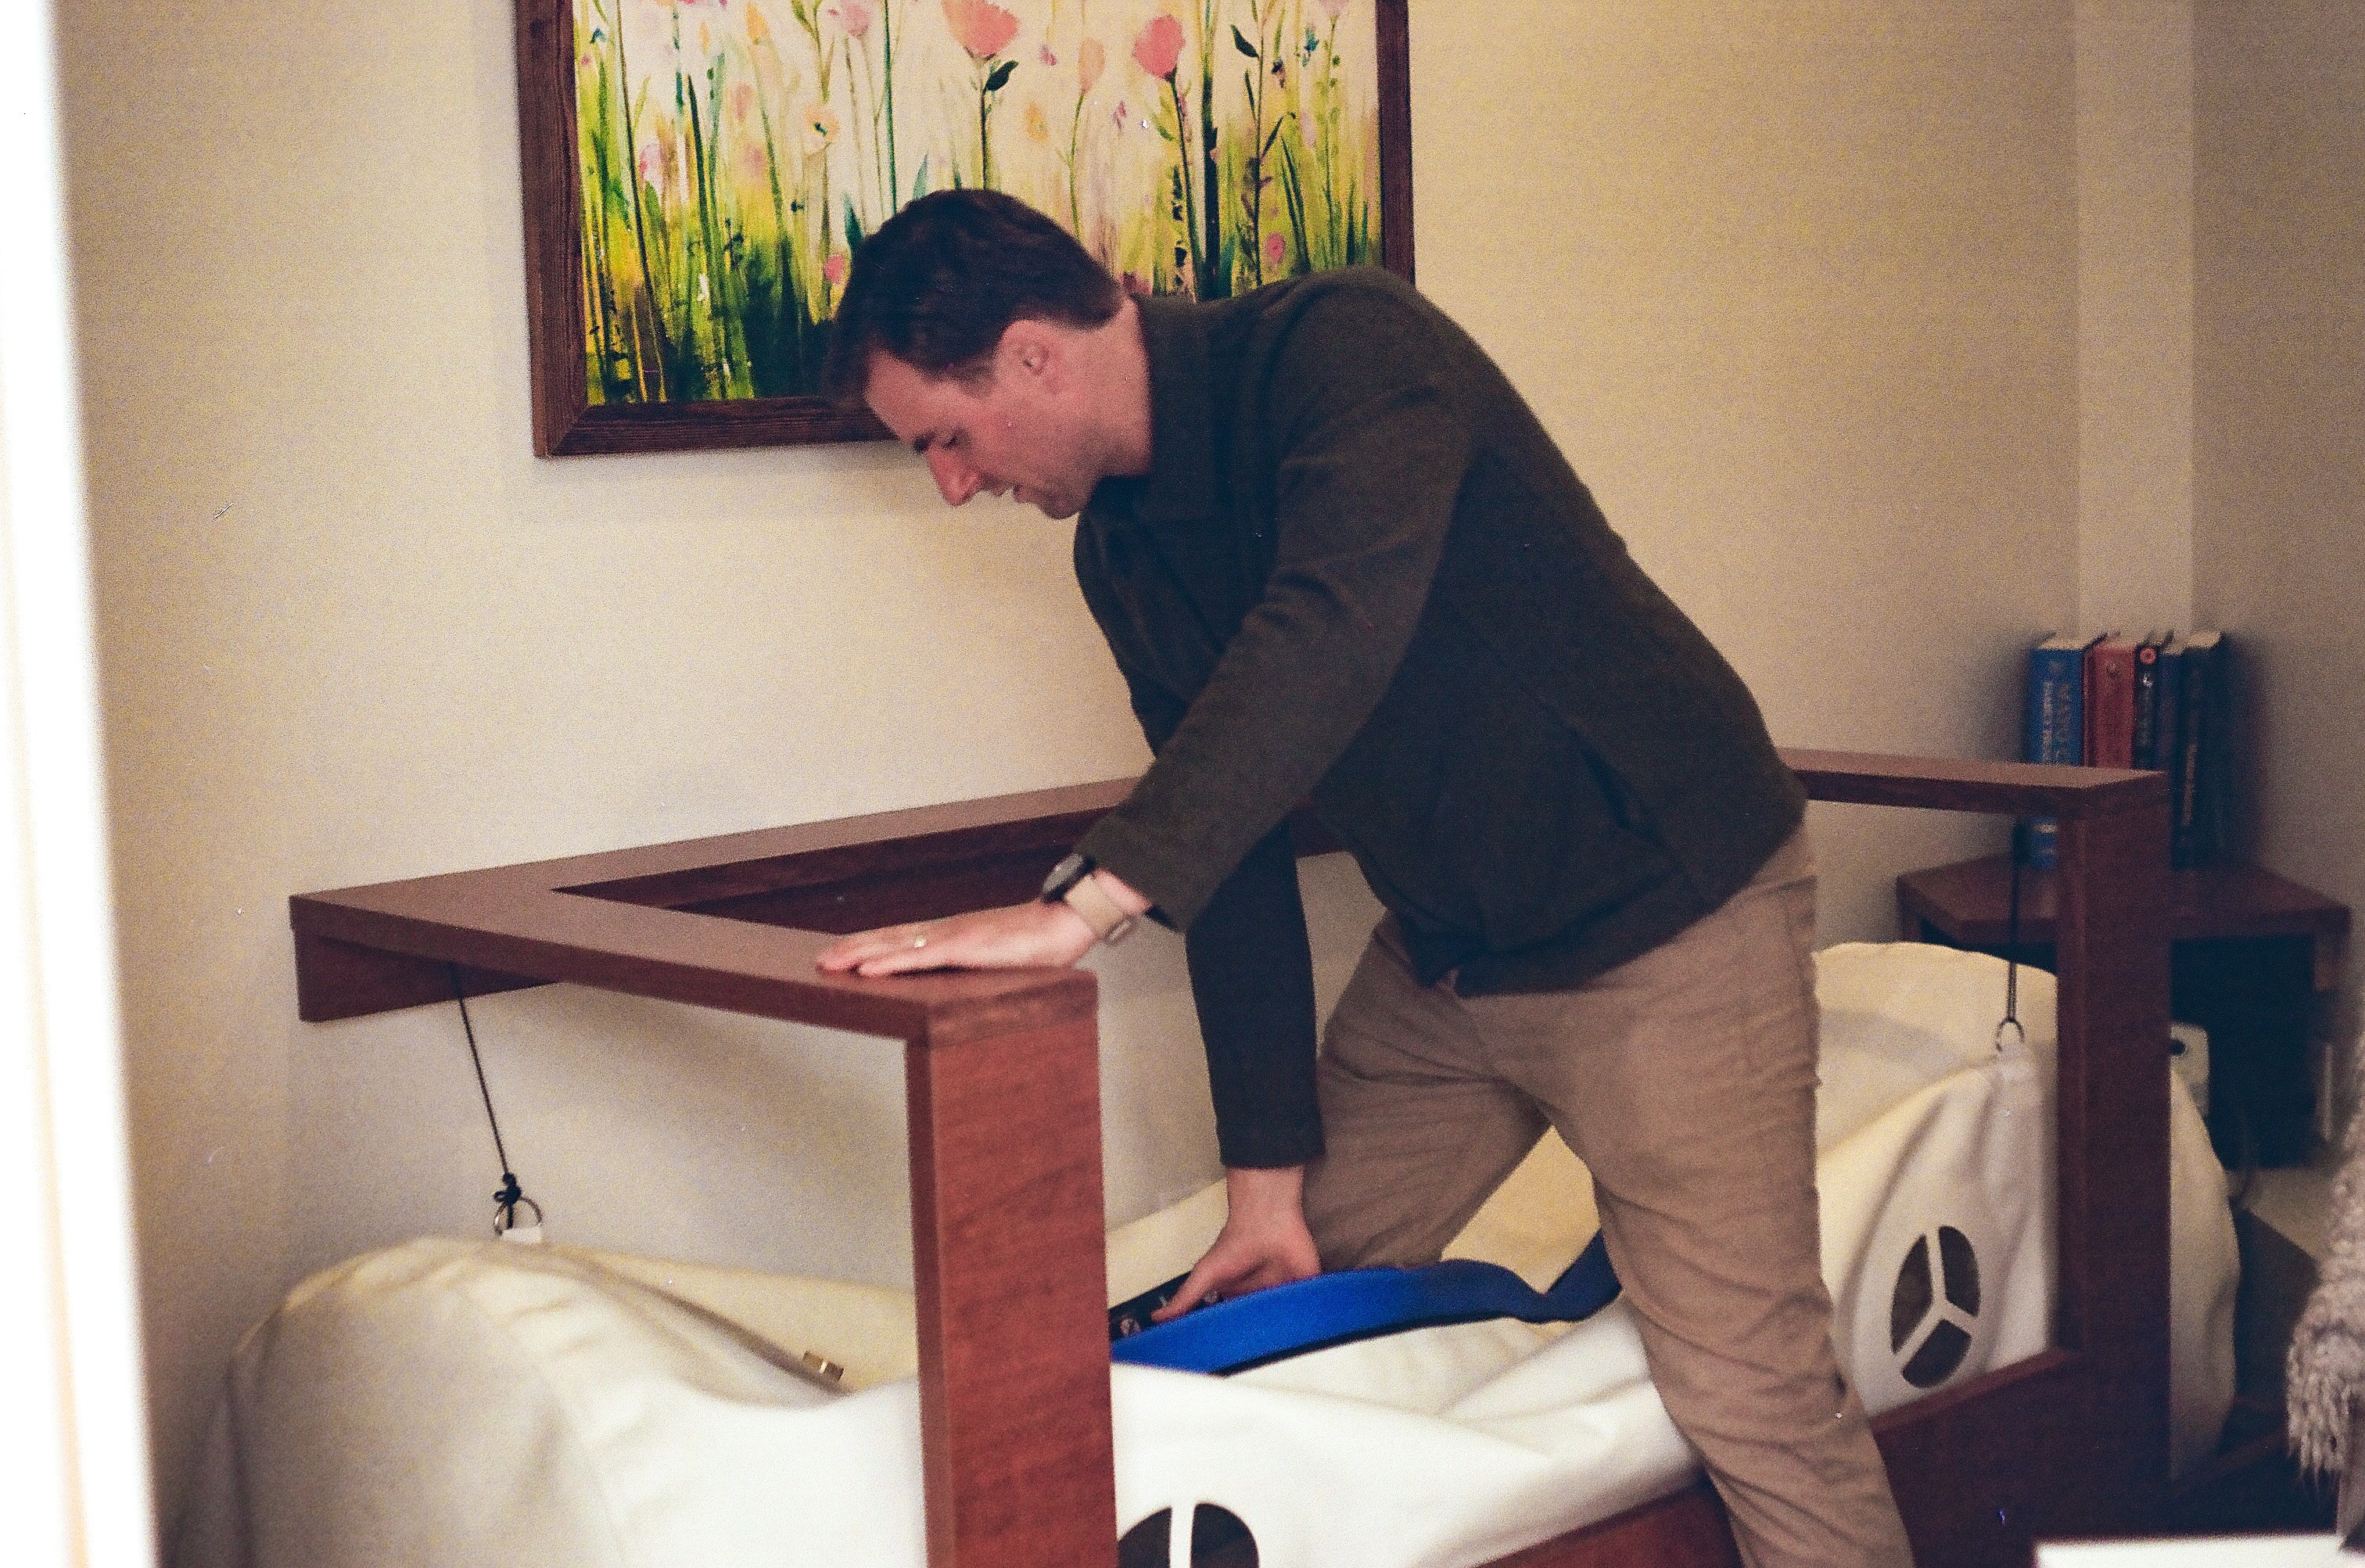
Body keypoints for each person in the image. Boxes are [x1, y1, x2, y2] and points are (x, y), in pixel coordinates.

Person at [814, 189, 1913, 1568]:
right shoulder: (1122, 551)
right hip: (1452, 959)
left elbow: (1324, 635)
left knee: (1753, 1393)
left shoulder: (1347, 350)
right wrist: (1262, 1187)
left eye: (946, 439)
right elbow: (1232, 853)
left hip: (1663, 917)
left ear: (1033, 354)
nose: (953, 485)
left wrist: (1077, 908)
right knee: (1262, 1310)